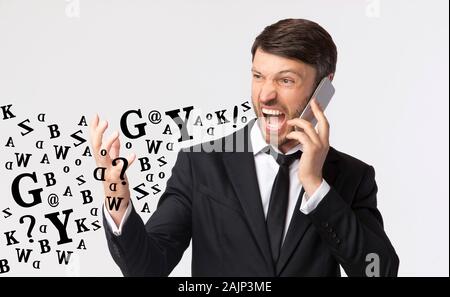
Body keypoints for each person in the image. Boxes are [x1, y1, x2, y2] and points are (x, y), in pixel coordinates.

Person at [90, 18, 399, 277]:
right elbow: (145, 269)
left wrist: (317, 186)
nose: (265, 95)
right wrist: (116, 198)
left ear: (324, 87)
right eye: (258, 76)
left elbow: (379, 271)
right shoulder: (201, 163)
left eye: (286, 81)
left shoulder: (351, 176)